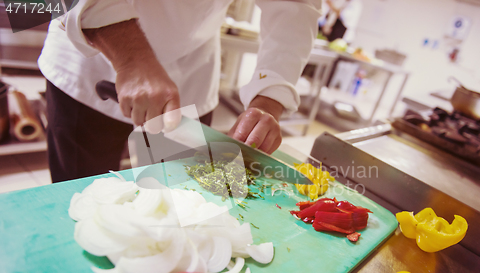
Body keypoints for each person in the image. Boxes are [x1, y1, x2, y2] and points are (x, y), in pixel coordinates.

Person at [38, 0, 321, 182]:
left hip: (191, 69)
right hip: (90, 61)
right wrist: (130, 57)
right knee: (81, 199)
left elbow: (297, 6)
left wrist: (269, 96)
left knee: (186, 203)